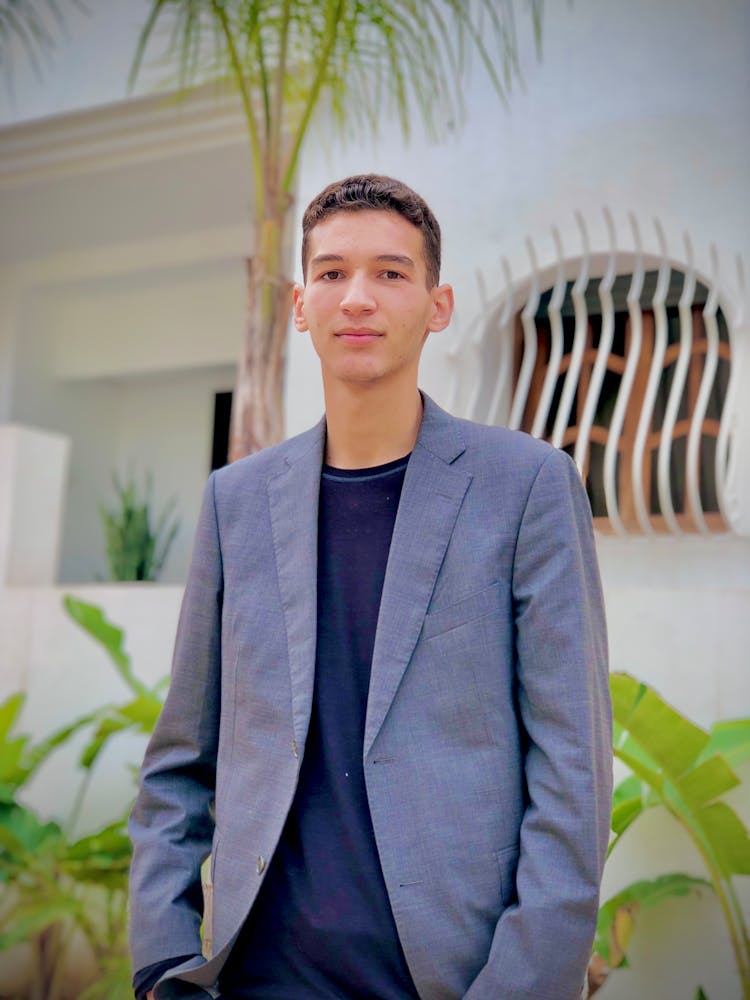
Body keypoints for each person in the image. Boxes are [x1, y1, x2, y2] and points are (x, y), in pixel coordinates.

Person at [129, 174, 612, 1000]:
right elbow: (181, 761)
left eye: (391, 273)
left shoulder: (526, 486)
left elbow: (572, 771)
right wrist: (162, 961)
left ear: (438, 304)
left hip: (448, 976)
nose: (357, 297)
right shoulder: (235, 502)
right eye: (331, 273)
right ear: (299, 304)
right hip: (258, 975)